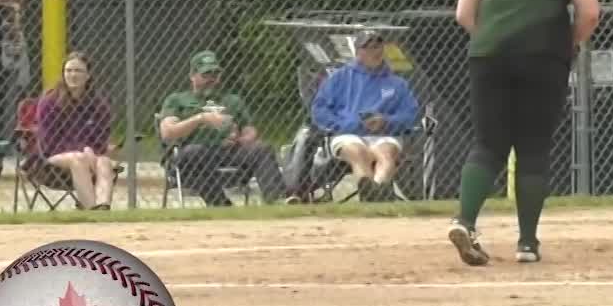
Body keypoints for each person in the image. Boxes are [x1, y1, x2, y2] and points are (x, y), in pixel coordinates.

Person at [446, 0, 599, 266]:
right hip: (541, 55)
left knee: (488, 144)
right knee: (532, 147)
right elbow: (590, 11)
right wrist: (570, 43)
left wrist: (494, 39)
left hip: (488, 55)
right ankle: (527, 243)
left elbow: (464, 14)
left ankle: (465, 220)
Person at [156, 49, 288, 206]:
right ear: (192, 76)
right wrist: (200, 119)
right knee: (195, 152)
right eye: (206, 74)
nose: (211, 78)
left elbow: (250, 131)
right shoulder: (178, 100)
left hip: (227, 152)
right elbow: (168, 133)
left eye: (215, 74)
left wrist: (238, 139)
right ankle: (220, 203)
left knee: (262, 149)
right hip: (191, 155)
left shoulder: (232, 100)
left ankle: (278, 200)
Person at [310, 29, 421, 201]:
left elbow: (410, 115)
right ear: (358, 52)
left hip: (385, 133)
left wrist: (387, 121)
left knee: (385, 155)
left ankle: (374, 191)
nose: (375, 51)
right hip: (348, 134)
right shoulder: (339, 78)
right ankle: (371, 191)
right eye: (368, 48)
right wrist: (344, 125)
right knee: (359, 153)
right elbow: (319, 110)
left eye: (378, 46)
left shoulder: (397, 83)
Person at [34, 51, 117, 210]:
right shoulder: (49, 102)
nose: (73, 75)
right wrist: (82, 149)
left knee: (105, 162)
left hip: (90, 156)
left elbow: (101, 139)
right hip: (52, 159)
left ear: (88, 76)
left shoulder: (99, 104)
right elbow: (48, 144)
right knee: (77, 159)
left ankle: (103, 207)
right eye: (68, 70)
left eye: (78, 71)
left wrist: (91, 151)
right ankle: (91, 209)